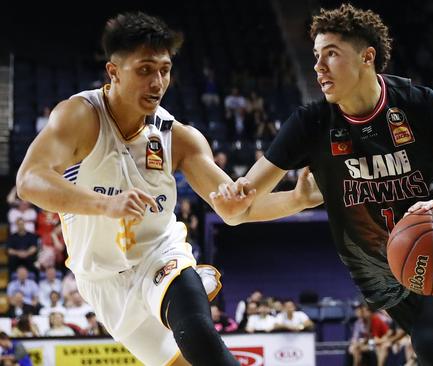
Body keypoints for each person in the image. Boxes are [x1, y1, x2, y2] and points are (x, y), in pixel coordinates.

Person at [216, 4, 433, 365]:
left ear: (367, 57)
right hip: (381, 277)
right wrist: (295, 199)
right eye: (315, 56)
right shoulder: (309, 125)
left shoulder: (418, 105)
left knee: (432, 343)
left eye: (331, 54)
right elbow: (241, 209)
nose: (318, 67)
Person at [15, 11, 310, 366]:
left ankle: (187, 289)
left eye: (164, 70)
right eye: (144, 70)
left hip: (159, 253)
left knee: (200, 337)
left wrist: (298, 198)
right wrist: (104, 204)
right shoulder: (80, 117)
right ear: (113, 72)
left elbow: (234, 209)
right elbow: (28, 181)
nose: (157, 82)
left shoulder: (177, 136)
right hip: (101, 281)